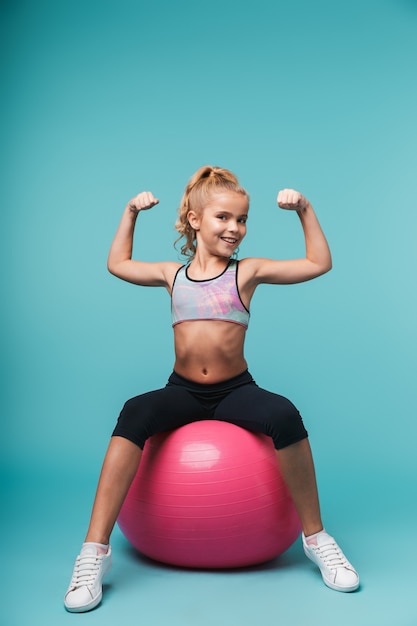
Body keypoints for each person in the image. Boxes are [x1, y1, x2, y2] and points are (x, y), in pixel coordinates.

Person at [64, 165, 359, 613]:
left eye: (241, 220)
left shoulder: (247, 272)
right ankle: (93, 552)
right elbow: (117, 264)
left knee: (284, 415)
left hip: (234, 390)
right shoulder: (173, 275)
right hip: (183, 391)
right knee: (133, 412)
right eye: (223, 217)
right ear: (195, 220)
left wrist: (305, 210)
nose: (235, 228)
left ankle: (317, 539)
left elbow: (319, 263)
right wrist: (130, 214)